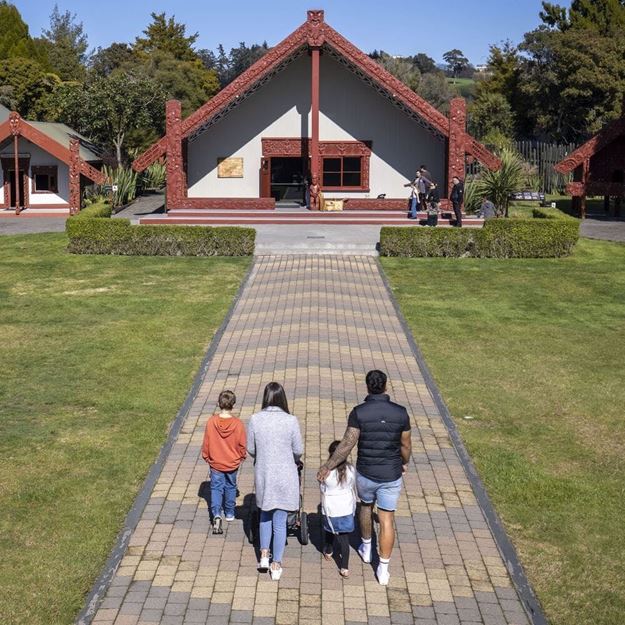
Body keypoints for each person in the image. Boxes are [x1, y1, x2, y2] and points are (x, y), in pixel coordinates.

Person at [317, 370, 412, 586]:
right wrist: (404, 462)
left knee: (366, 508)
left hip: (366, 473)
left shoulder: (359, 412)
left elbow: (347, 444)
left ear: (368, 387)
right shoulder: (401, 413)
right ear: (386, 386)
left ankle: (367, 547)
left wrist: (329, 465)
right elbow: (405, 445)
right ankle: (383, 569)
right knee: (387, 519)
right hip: (391, 474)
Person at [247, 382, 303, 581]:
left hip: (264, 473)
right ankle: (276, 562)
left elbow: (251, 449)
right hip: (285, 475)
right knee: (280, 521)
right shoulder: (291, 420)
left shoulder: (255, 419)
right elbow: (298, 450)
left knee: (265, 515)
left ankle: (263, 554)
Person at [201, 390, 247, 535]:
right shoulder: (238, 424)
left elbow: (207, 442)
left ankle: (216, 514)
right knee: (231, 486)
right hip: (232, 462)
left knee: (216, 488)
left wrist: (206, 456)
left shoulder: (211, 422)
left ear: (218, 404)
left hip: (216, 462)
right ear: (233, 404)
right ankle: (229, 512)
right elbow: (242, 444)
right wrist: (241, 456)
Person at [320, 440, 357, 578]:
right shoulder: (351, 470)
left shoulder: (326, 473)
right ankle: (345, 567)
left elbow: (322, 487)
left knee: (329, 530)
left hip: (331, 510)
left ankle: (329, 549)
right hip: (346, 509)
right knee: (344, 539)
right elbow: (353, 484)